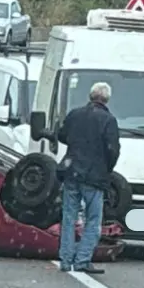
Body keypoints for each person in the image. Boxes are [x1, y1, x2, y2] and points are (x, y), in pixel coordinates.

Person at [54, 82, 120, 274]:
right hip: (94, 176)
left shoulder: (75, 114)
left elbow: (62, 136)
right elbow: (113, 150)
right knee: (93, 219)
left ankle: (65, 260)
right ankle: (82, 260)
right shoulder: (108, 120)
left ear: (90, 96)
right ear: (107, 99)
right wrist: (105, 169)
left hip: (72, 171)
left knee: (68, 218)